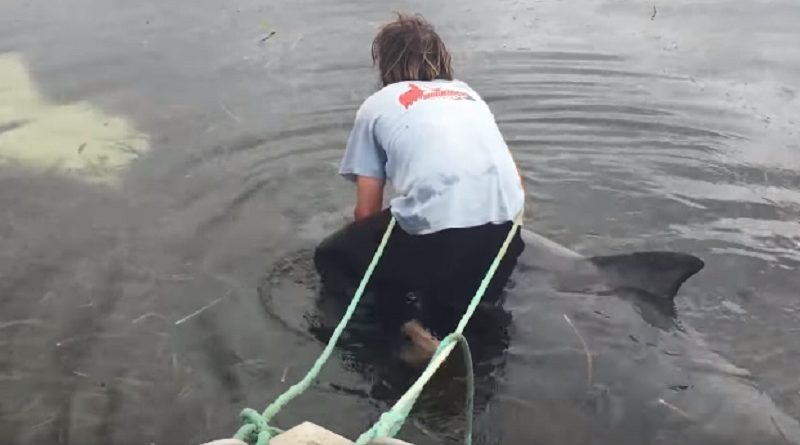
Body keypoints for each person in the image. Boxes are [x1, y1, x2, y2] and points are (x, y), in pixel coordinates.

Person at [314, 13, 525, 366]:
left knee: (332, 257)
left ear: (385, 63)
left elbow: (366, 213)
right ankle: (470, 339)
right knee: (457, 300)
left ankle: (401, 331)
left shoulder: (377, 106)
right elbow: (515, 183)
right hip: (506, 237)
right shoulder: (468, 95)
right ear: (442, 57)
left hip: (437, 239)